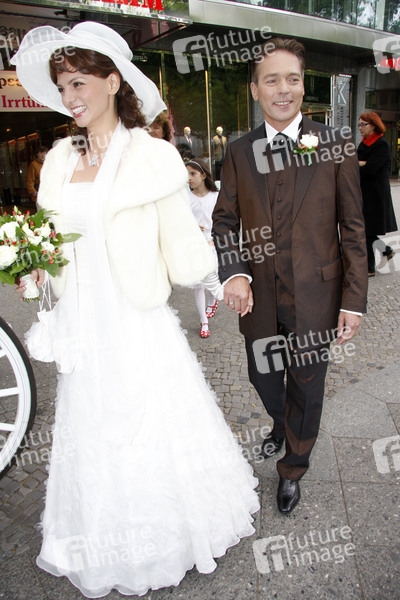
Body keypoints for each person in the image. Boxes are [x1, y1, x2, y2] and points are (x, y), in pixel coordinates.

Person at [11, 22, 259, 598]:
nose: (70, 97)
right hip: (81, 321)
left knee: (150, 425)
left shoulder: (152, 157)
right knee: (92, 428)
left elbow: (182, 241)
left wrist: (229, 280)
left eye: (78, 82)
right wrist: (34, 268)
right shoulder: (58, 161)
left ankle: (166, 537)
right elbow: (50, 239)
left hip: (135, 318)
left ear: (112, 81)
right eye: (62, 87)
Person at [212, 37, 368, 515]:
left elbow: (353, 226)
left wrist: (353, 300)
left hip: (317, 296)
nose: (284, 89)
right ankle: (282, 423)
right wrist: (234, 273)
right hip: (259, 298)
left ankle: (293, 466)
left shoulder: (335, 144)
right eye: (272, 80)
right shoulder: (239, 151)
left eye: (293, 79)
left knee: (307, 383)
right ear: (255, 89)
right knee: (264, 377)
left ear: (303, 86)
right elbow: (224, 222)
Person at [357, 112, 398, 277]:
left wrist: (361, 164)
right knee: (366, 229)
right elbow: (355, 164)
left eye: (363, 124)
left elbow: (370, 170)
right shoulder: (364, 143)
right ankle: (386, 251)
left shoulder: (381, 144)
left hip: (376, 194)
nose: (360, 128)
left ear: (373, 126)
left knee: (367, 229)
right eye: (359, 124)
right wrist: (360, 163)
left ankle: (370, 268)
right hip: (364, 192)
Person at [186, 158, 219, 338]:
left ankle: (212, 302)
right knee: (198, 285)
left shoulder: (216, 197)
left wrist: (217, 240)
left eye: (193, 173)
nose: (189, 178)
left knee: (213, 280)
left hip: (213, 244)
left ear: (203, 175)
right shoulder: (186, 198)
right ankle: (203, 321)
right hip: (195, 246)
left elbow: (223, 220)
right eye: (187, 174)